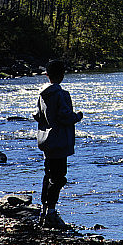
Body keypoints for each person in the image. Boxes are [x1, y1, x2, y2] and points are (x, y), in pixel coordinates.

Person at [33, 59, 83, 228]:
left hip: (46, 142)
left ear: (47, 75)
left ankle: (44, 211)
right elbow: (65, 116)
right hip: (60, 143)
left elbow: (37, 115)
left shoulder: (42, 94)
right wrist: (78, 116)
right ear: (62, 75)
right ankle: (51, 214)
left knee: (48, 176)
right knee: (59, 178)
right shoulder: (62, 94)